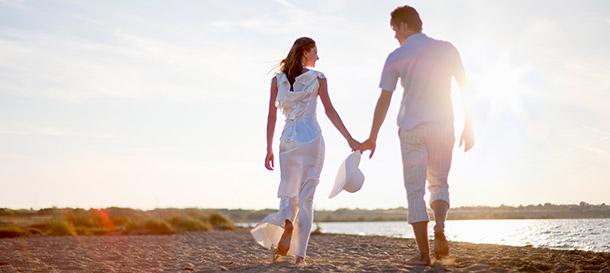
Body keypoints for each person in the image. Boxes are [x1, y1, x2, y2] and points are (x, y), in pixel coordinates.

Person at [359, 5, 475, 265]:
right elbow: (466, 88)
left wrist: (372, 136)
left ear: (402, 25)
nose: (394, 36)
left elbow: (384, 99)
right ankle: (440, 228)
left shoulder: (397, 55)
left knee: (414, 191)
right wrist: (470, 124)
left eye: (394, 30)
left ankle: (424, 253)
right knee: (440, 183)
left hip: (411, 130)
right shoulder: (447, 48)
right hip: (444, 126)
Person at [251, 37, 359, 264]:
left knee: (288, 193)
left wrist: (268, 148)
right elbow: (330, 111)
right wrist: (350, 139)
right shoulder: (318, 78)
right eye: (316, 52)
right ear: (305, 52)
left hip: (287, 141)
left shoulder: (277, 80)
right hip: (312, 140)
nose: (318, 57)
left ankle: (288, 221)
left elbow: (271, 115)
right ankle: (300, 256)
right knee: (307, 198)